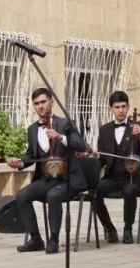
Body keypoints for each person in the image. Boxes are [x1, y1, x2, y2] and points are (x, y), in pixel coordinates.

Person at [8, 88, 87, 254]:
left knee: (54, 195)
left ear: (51, 101)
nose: (40, 106)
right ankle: (36, 240)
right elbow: (31, 155)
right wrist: (20, 163)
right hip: (47, 179)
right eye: (36, 104)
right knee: (22, 195)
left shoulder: (66, 123)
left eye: (43, 102)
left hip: (68, 179)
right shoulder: (32, 129)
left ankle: (54, 240)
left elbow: (82, 146)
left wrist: (61, 137)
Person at [92, 91, 140, 244]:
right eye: (117, 107)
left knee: (129, 191)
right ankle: (109, 227)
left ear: (128, 107)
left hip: (131, 177)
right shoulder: (104, 130)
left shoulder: (138, 127)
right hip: (112, 176)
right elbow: (102, 158)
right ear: (111, 108)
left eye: (124, 106)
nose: (121, 110)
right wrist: (91, 158)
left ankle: (128, 228)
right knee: (94, 192)